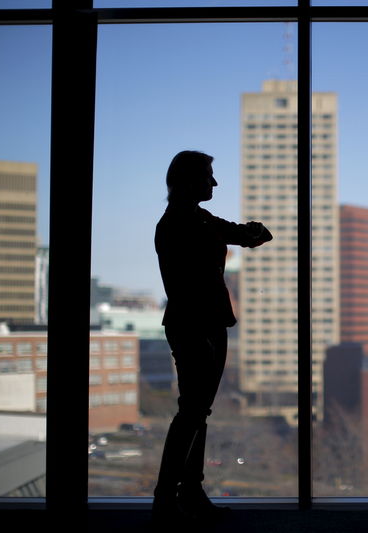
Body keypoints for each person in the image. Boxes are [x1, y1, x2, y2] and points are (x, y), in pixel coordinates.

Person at [152, 150, 272, 524]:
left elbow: (240, 234)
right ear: (189, 180)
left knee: (196, 413)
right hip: (196, 327)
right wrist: (251, 233)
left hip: (205, 326)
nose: (215, 183)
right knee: (191, 413)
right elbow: (235, 238)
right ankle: (169, 497)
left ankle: (186, 492)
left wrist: (251, 233)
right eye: (208, 176)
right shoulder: (180, 222)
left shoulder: (194, 218)